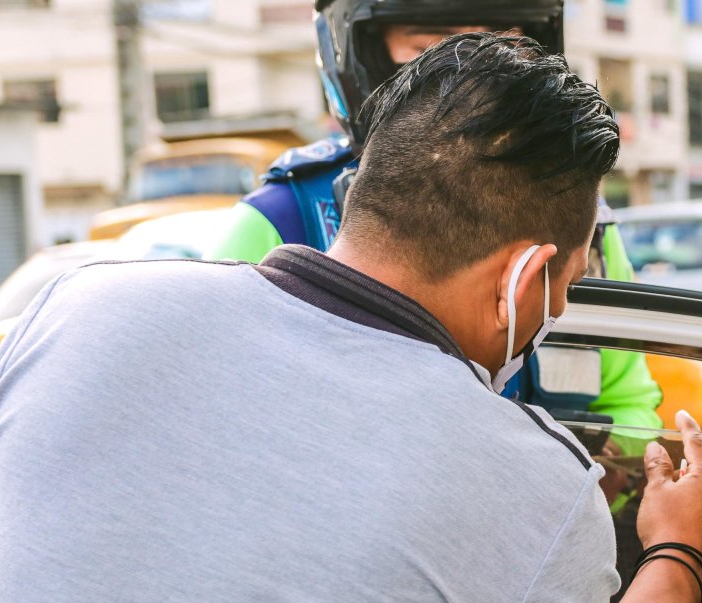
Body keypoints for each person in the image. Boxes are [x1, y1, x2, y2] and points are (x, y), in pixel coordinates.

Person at [0, 35, 702, 603]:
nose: (559, 310)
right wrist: (679, 549)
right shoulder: (535, 486)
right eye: (567, 283)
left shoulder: (76, 310)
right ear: (524, 277)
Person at [205, 0, 663, 452]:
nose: (470, 70)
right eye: (431, 46)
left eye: (501, 43)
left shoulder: (582, 225)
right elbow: (222, 422)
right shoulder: (283, 219)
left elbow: (632, 407)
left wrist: (585, 471)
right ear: (358, 54)